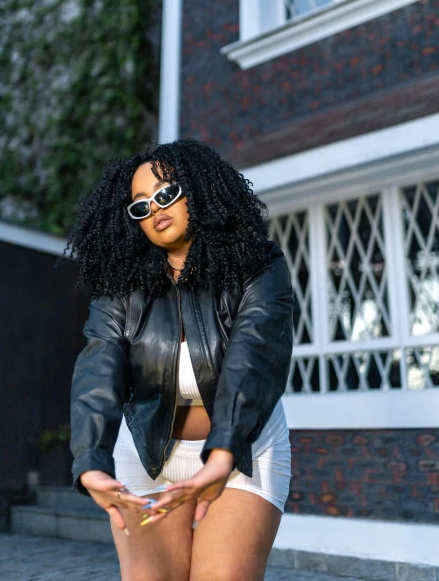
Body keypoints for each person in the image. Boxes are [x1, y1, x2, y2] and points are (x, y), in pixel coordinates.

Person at [65, 139, 294, 581]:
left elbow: (253, 360)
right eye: (140, 206)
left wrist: (224, 451)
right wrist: (90, 461)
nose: (154, 208)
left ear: (198, 190)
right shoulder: (121, 287)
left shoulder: (259, 266)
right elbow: (99, 366)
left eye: (167, 193)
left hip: (241, 453)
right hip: (148, 454)